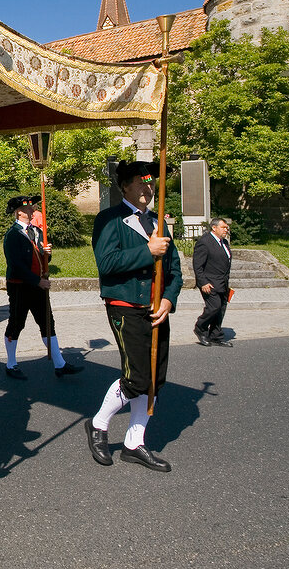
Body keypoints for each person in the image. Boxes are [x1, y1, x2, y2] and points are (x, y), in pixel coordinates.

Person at [85, 160, 182, 473]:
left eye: (151, 183)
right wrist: (148, 252)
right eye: (141, 183)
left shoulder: (158, 222)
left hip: (157, 310)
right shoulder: (109, 220)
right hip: (125, 306)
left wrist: (168, 298)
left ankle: (134, 442)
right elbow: (107, 263)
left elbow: (176, 269)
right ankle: (99, 424)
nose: (148, 188)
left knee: (154, 379)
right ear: (124, 186)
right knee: (137, 376)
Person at [2, 196, 82, 379]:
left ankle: (59, 364)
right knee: (16, 323)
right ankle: (11, 363)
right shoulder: (12, 235)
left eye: (32, 208)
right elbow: (16, 265)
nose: (33, 211)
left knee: (47, 322)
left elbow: (42, 259)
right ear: (19, 212)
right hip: (20, 286)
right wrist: (37, 281)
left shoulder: (37, 231)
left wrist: (47, 254)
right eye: (29, 209)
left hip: (38, 286)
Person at [192, 217, 234, 347]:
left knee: (220, 309)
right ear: (214, 228)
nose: (226, 230)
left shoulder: (224, 242)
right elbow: (197, 265)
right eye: (223, 227)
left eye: (227, 227)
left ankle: (216, 335)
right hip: (209, 283)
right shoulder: (205, 242)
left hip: (222, 282)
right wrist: (203, 282)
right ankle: (200, 328)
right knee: (213, 307)